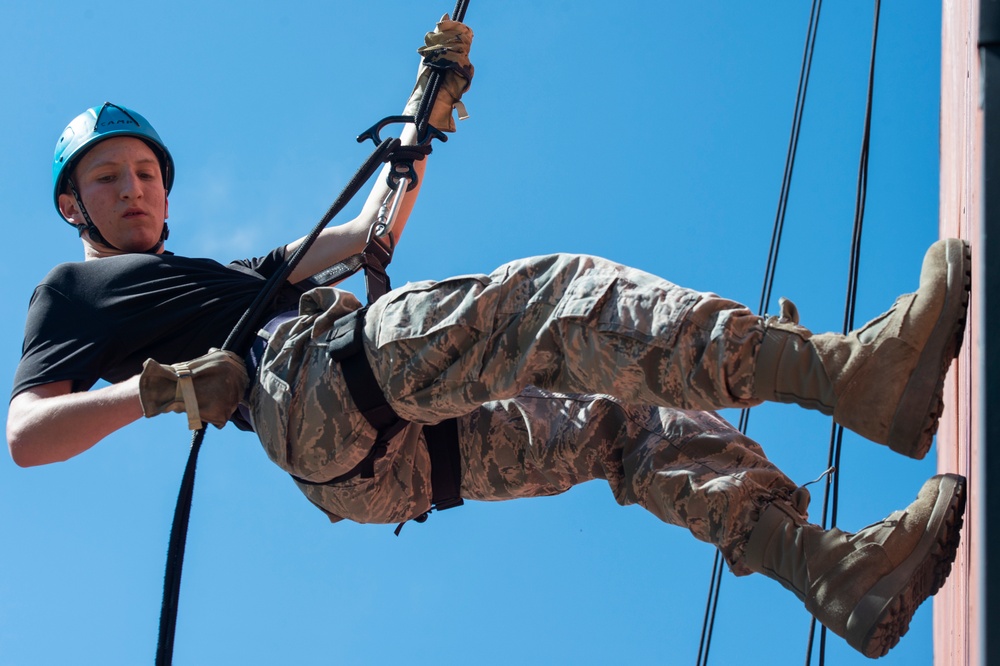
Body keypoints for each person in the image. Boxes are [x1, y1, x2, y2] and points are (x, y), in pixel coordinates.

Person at [6, 18, 970, 660]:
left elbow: (373, 237)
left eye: (144, 172)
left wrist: (424, 114)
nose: (132, 188)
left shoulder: (239, 278)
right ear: (71, 205)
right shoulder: (75, 290)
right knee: (547, 303)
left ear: (167, 191)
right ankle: (852, 376)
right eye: (106, 178)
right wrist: (159, 393)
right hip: (309, 395)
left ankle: (830, 571)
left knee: (621, 421)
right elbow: (25, 433)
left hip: (384, 471)